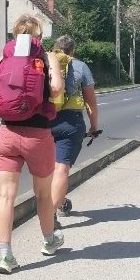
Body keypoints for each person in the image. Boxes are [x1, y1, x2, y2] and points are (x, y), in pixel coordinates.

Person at [0, 15, 64, 274]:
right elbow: (58, 89)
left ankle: (6, 256)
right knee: (42, 194)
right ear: (38, 34)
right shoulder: (46, 57)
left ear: (15, 33)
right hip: (37, 135)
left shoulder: (6, 56)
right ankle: (49, 242)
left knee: (5, 196)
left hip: (7, 133)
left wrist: (4, 99)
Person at [49, 35, 100, 224]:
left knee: (46, 171)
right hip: (70, 122)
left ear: (53, 48)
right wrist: (94, 126)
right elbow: (91, 102)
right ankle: (53, 213)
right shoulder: (80, 66)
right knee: (61, 169)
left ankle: (57, 204)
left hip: (43, 120)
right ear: (73, 51)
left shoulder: (42, 61)